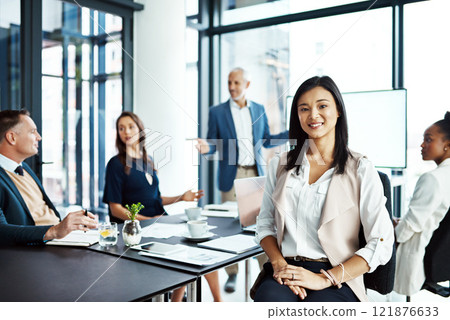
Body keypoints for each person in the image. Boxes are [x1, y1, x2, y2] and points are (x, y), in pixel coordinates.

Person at [253, 76, 394, 302]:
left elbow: (382, 241)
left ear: (338, 110)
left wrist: (325, 278)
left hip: (338, 274)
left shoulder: (360, 168)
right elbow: (265, 223)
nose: (313, 115)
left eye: (322, 106)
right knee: (269, 300)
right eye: (304, 108)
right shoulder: (279, 165)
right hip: (287, 270)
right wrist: (278, 263)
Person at [103, 111, 222, 302]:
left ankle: (216, 302)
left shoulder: (147, 160)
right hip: (139, 229)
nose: (126, 132)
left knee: (200, 245)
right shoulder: (116, 165)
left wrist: (182, 197)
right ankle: (176, 303)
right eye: (121, 128)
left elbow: (155, 199)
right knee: (184, 252)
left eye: (131, 127)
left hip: (159, 222)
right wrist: (147, 221)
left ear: (140, 130)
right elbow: (115, 208)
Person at [196, 67, 289, 292]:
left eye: (236, 82)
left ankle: (265, 270)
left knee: (261, 223)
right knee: (231, 224)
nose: (231, 87)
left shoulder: (258, 109)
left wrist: (291, 132)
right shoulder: (217, 112)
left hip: (255, 174)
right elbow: (212, 144)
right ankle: (232, 273)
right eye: (229, 82)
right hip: (231, 174)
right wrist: (205, 148)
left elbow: (266, 140)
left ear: (246, 85)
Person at [0, 110, 98, 245]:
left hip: (59, 241)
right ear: (12, 137)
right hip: (35, 249)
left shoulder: (24, 167)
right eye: (32, 131)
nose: (39, 137)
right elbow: (1, 231)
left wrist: (69, 226)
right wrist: (54, 231)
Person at [394, 112, 450, 296]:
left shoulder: (432, 179)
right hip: (435, 256)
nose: (422, 145)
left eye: (428, 139)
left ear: (447, 146)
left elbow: (410, 226)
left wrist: (390, 234)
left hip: (416, 256)